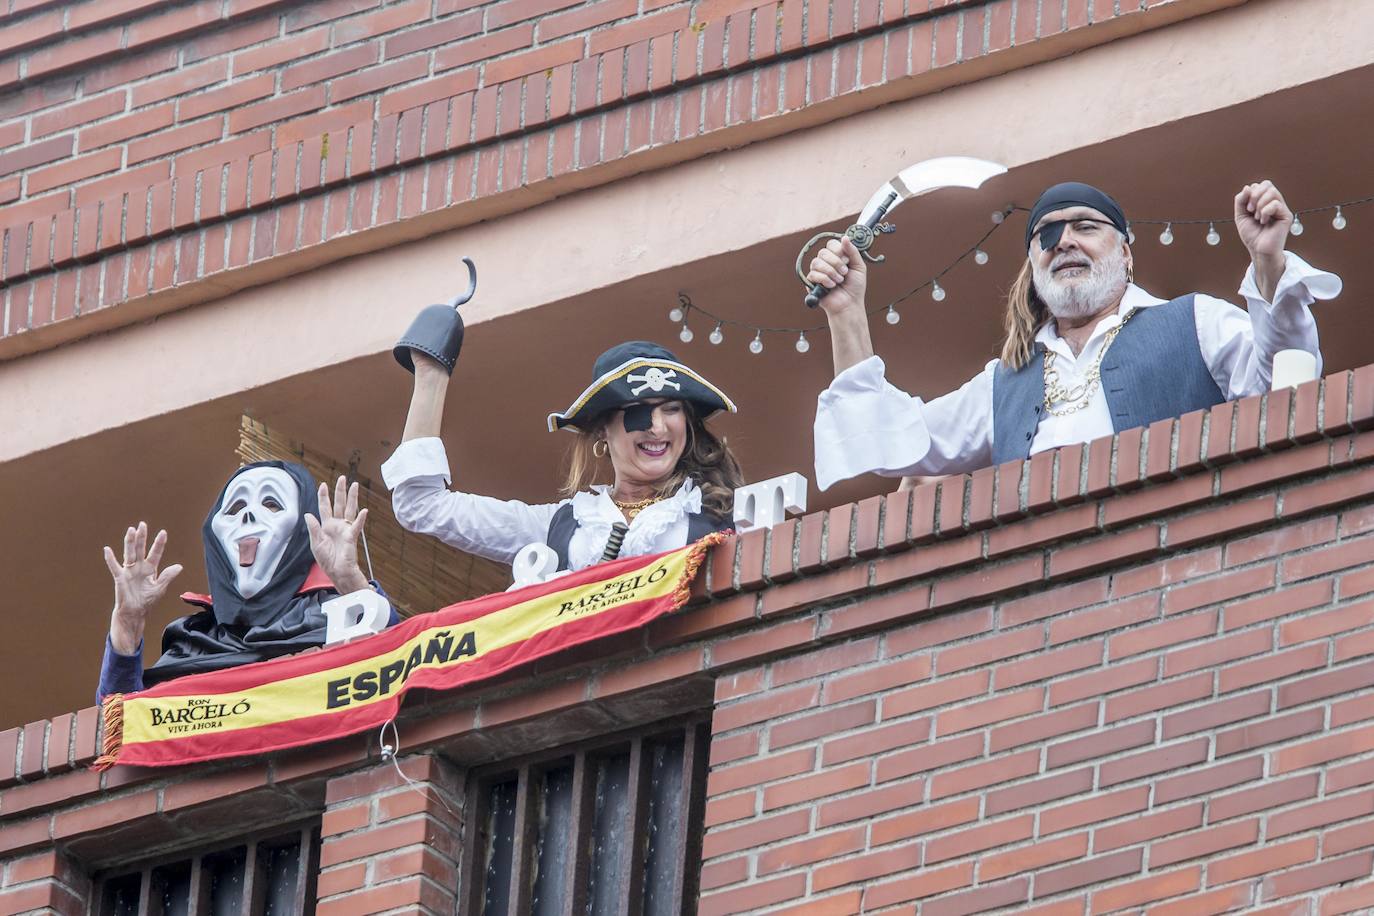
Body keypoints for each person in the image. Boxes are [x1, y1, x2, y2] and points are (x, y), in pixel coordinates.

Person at [807, 180, 1343, 489]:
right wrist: (846, 312)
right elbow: (888, 437)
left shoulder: (1194, 320)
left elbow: (1285, 386)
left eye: (1086, 226)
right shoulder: (1004, 384)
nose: (1064, 241)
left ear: (1126, 254)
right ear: (1034, 267)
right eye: (1047, 234)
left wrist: (1268, 262)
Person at [382, 341, 745, 573]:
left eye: (671, 409)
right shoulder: (563, 524)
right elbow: (422, 505)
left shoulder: (722, 512)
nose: (658, 428)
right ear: (603, 429)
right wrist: (431, 377)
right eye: (638, 412)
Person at [97, 463, 393, 701]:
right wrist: (127, 625)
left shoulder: (332, 616)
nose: (249, 515)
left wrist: (352, 585)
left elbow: (396, 664)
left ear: (302, 533)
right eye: (235, 508)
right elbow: (119, 725)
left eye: (272, 504)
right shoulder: (194, 641)